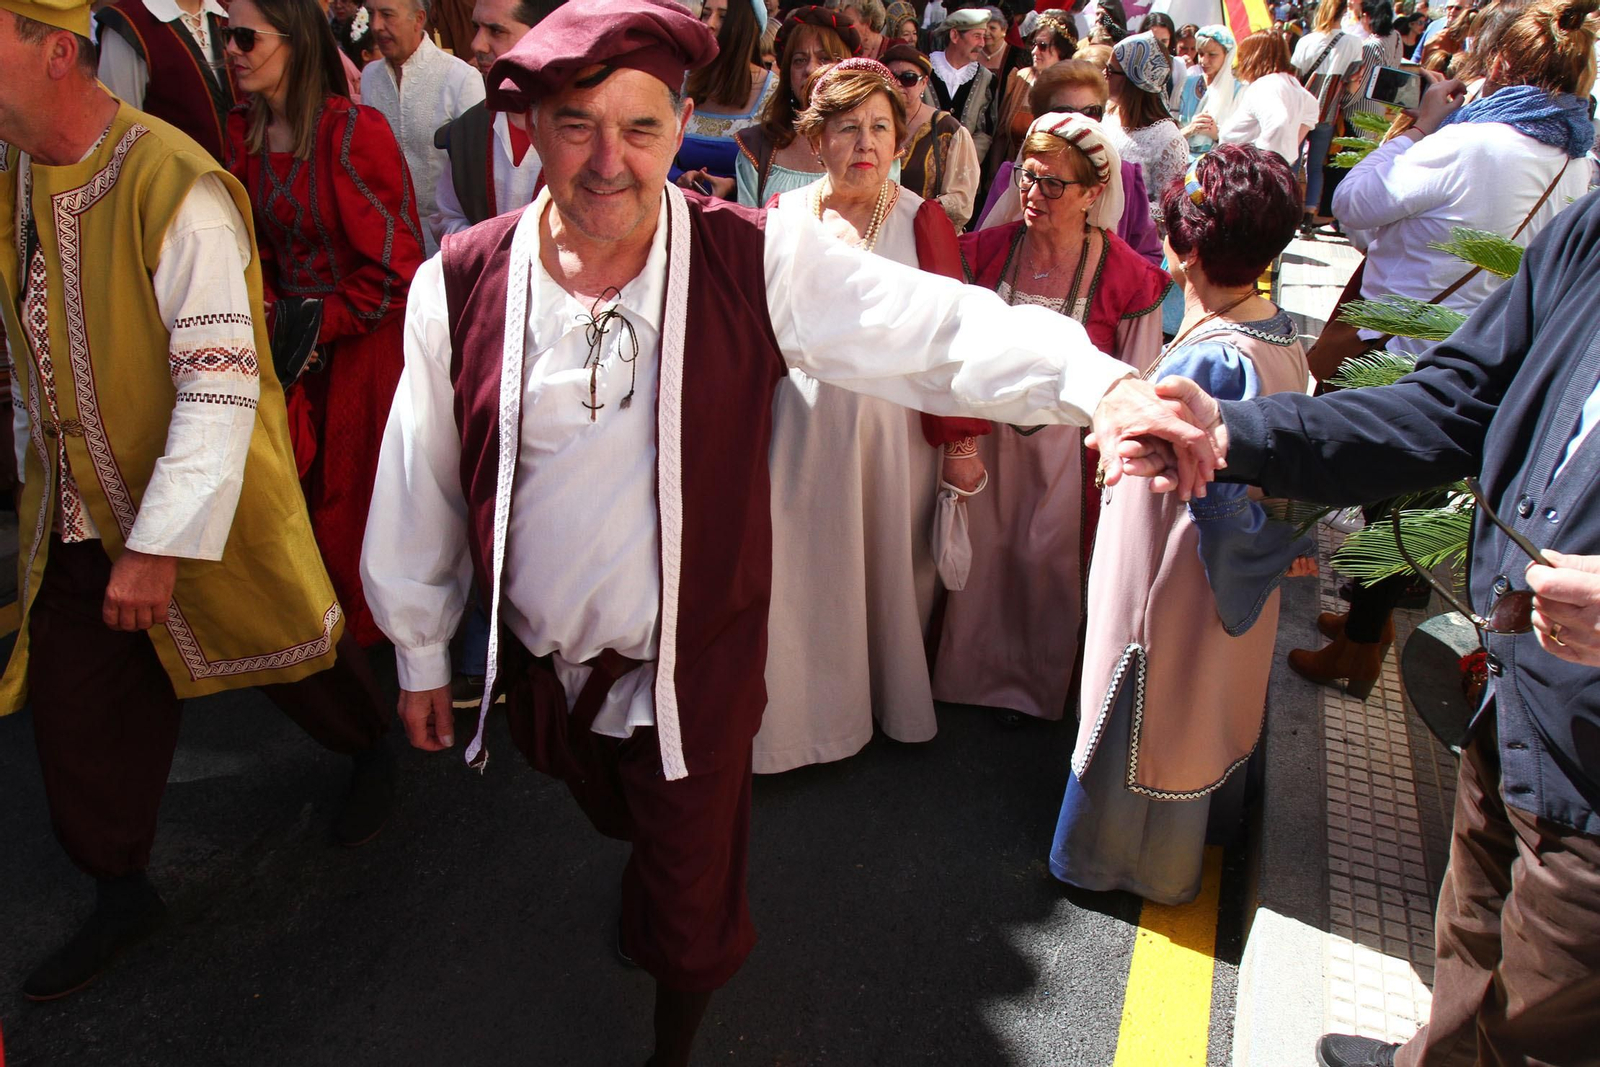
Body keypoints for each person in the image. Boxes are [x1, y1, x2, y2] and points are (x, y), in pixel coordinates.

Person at [358, 2, 1216, 1063]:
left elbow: (932, 325)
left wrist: (1101, 383)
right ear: (532, 126)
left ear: (683, 128)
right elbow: (421, 471)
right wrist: (419, 644)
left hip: (691, 669)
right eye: (578, 124)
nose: (608, 161)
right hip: (542, 674)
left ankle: (673, 1037)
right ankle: (654, 882)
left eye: (640, 129)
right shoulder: (460, 281)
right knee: (628, 827)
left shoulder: (751, 259)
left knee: (689, 905)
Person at [1149, 120, 1600, 1067]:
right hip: (1515, 691)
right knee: (1475, 925)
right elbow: (1450, 401)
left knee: (1548, 1013)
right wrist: (1236, 431)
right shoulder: (1588, 237)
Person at [0, 0, 393, 1002]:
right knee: (76, 708)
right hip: (80, 514)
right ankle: (120, 885)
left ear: (53, 53)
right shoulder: (12, 174)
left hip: (197, 508)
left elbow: (221, 376)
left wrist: (160, 541)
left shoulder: (172, 180)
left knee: (291, 653)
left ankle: (373, 742)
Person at [1290, 0, 1594, 696]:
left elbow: (1357, 203)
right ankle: (1369, 621)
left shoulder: (1472, 141)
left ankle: (1362, 646)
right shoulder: (1573, 160)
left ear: (1503, 63)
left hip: (1399, 347)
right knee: (1404, 501)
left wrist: (1419, 126)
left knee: (1375, 493)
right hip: (1481, 358)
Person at [1052, 144, 1310, 905]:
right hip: (1230, 579)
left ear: (1184, 247)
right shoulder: (1278, 333)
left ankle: (1120, 861)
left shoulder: (1212, 360)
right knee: (1205, 703)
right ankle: (1188, 842)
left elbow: (1187, 483)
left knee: (1148, 702)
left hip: (1172, 573)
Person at [757, 57, 986, 772]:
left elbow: (954, 344)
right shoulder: (783, 216)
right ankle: (801, 724)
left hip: (891, 440)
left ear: (899, 139)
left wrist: (959, 444)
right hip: (797, 431)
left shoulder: (924, 223)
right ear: (815, 138)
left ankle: (886, 704)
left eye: (880, 128)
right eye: (848, 127)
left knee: (884, 570)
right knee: (800, 572)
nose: (865, 143)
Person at [933, 111, 1168, 722]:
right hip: (985, 436)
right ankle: (967, 677)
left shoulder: (1130, 278)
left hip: (1070, 452)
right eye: (1027, 179)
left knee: (1045, 565)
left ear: (1095, 192)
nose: (1033, 195)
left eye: (1053, 184)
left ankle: (1037, 693)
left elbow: (1133, 376)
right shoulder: (981, 253)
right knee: (982, 560)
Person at [226, 0, 427, 647]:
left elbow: (397, 269)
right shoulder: (242, 132)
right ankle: (324, 660)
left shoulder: (352, 133)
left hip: (362, 354)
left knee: (356, 516)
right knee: (294, 514)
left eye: (244, 36)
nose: (231, 50)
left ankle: (382, 679)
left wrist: (311, 322)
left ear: (295, 42)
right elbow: (247, 242)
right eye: (227, 35)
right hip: (288, 351)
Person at [978, 60, 1164, 265]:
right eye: (1064, 113)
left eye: (1090, 112)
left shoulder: (1124, 175)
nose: (1078, 123)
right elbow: (984, 248)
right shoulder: (1013, 175)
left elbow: (1149, 256)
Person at [360, 0, 485, 255]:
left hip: (442, 246)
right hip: (383, 243)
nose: (376, 26)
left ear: (418, 19)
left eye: (387, 15)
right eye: (371, 14)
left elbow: (476, 179)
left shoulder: (460, 78)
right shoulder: (370, 76)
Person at [432, 0, 553, 236]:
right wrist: (487, 249)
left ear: (544, 33)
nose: (477, 44)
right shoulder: (467, 130)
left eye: (496, 31)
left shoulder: (585, 128)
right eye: (476, 27)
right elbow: (447, 218)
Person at [734, 5, 858, 205]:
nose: (810, 69)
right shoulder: (758, 147)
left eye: (824, 58)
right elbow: (747, 229)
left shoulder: (873, 144)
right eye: (799, 60)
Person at [95, 0, 236, 162]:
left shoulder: (232, 10)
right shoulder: (128, 23)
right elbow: (121, 133)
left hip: (247, 180)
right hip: (178, 180)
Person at [674, 0, 773, 199]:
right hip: (679, 210)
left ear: (745, 27)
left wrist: (735, 185)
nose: (710, 24)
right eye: (706, 14)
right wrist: (678, 177)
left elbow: (779, 175)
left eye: (724, 17)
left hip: (738, 220)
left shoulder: (773, 93)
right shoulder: (680, 81)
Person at [885, 42, 981, 227]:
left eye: (908, 78)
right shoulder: (871, 123)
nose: (897, 84)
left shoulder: (949, 130)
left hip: (924, 234)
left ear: (924, 83)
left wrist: (922, 209)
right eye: (890, 77)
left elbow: (962, 199)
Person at [1293, 0, 1366, 232]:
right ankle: (1309, 215)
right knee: (1316, 166)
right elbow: (1354, 83)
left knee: (1293, 163)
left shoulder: (1306, 41)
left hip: (1301, 111)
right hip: (1329, 111)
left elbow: (1294, 77)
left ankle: (1289, 208)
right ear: (1344, 12)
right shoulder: (1354, 43)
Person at [1104, 30, 1187, 218]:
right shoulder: (1109, 114)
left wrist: (1117, 204)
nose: (1104, 74)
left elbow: (1170, 210)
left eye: (1110, 70)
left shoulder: (1168, 139)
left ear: (1133, 79)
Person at [989, 7, 1074, 170]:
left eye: (1043, 46)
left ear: (1061, 50)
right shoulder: (1020, 77)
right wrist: (993, 179)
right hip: (1010, 173)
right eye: (1034, 44)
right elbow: (1000, 136)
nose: (1034, 51)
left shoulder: (1070, 89)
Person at [1219, 29, 1318, 164]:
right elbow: (1312, 110)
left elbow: (1278, 123)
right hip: (1263, 171)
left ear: (1252, 58)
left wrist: (1262, 165)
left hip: (1244, 173)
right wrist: (1287, 154)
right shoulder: (1290, 84)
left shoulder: (1264, 86)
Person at [929, 6, 999, 159]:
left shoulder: (986, 79)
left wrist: (961, 162)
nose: (982, 43)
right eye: (976, 36)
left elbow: (985, 132)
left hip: (964, 174)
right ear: (954, 35)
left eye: (983, 37)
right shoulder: (923, 69)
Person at [1177, 22, 1243, 158]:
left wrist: (1217, 134)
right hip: (1181, 162)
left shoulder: (1239, 92)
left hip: (1218, 166)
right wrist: (1190, 129)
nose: (1204, 61)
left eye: (1212, 55)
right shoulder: (1186, 84)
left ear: (1227, 55)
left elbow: (1243, 140)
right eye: (1201, 54)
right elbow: (1167, 135)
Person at [1140, 10, 1188, 113]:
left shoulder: (1177, 64)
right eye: (1153, 40)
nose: (1158, 46)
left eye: (1164, 41)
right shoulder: (1131, 64)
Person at [824, 0, 889, 57]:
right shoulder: (841, 47)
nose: (843, 25)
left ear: (867, 23)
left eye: (849, 21)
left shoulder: (894, 52)